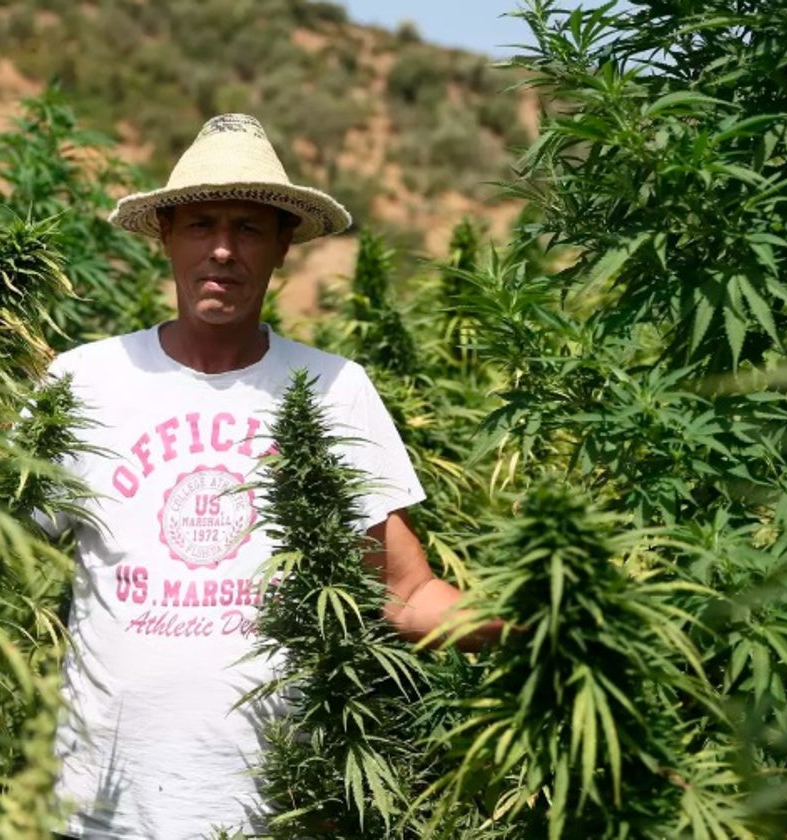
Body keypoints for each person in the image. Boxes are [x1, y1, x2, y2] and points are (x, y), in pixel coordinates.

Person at [34, 113, 490, 840]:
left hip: (279, 803)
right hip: (101, 806)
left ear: (283, 246)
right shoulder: (84, 380)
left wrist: (547, 620)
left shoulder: (334, 388)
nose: (222, 249)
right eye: (201, 225)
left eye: (249, 228)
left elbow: (404, 594)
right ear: (166, 238)